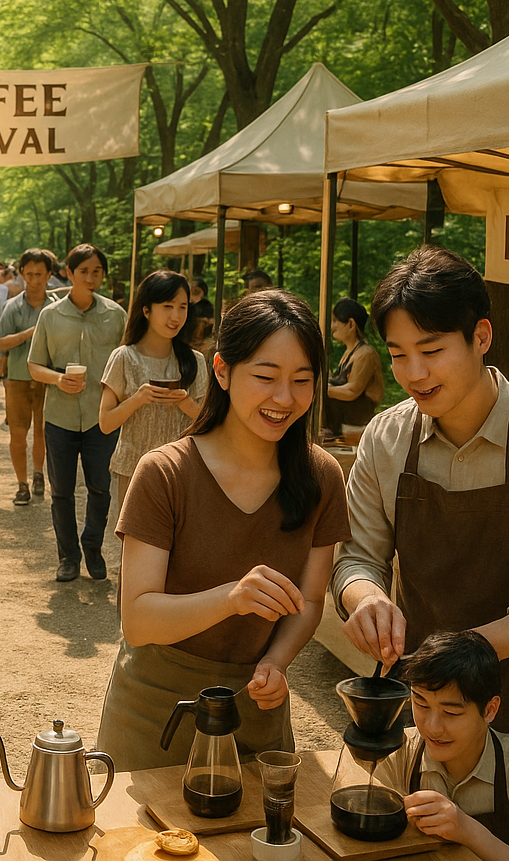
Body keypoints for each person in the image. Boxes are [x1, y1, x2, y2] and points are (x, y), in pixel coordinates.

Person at [334, 246, 509, 861]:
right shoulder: (387, 437)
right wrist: (367, 597)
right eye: (399, 355)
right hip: (426, 712)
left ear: (481, 335)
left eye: (431, 351)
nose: (412, 374)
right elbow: (356, 554)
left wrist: (474, 649)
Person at [96, 290, 349, 770]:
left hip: (255, 706)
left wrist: (276, 661)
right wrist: (231, 598)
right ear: (222, 371)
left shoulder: (321, 476)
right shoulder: (165, 473)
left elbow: (311, 600)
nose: (284, 398)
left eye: (302, 380)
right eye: (266, 377)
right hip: (155, 710)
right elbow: (139, 618)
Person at [369, 631, 509, 861]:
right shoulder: (396, 753)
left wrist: (469, 831)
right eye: (420, 704)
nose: (432, 727)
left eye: (451, 713)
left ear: (490, 710)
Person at [28, 244, 128, 582]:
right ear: (68, 274)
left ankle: (93, 547)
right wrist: (58, 378)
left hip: (103, 417)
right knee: (61, 491)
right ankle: (68, 556)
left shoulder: (116, 314)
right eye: (83, 271)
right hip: (60, 417)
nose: (91, 277)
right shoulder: (50, 316)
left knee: (101, 487)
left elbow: (127, 362)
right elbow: (33, 365)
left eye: (97, 271)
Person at [99, 271, 209, 525]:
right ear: (146, 310)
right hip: (133, 469)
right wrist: (138, 398)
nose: (176, 316)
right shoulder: (124, 357)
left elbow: (208, 421)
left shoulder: (195, 361)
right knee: (133, 551)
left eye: (182, 307)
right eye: (167, 306)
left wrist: (185, 402)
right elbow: (106, 423)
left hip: (181, 471)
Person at [0, 249, 56, 506]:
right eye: (29, 273)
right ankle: (22, 484)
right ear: (22, 274)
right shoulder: (12, 307)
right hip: (18, 378)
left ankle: (39, 474)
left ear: (49, 275)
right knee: (18, 435)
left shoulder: (57, 306)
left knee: (44, 432)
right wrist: (30, 333)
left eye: (40, 274)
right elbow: (1, 341)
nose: (34, 279)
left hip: (49, 379)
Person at [322, 297, 385, 438]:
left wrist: (323, 390)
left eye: (335, 321)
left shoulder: (365, 354)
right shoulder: (349, 353)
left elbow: (352, 391)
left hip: (357, 422)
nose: (332, 326)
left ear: (351, 324)